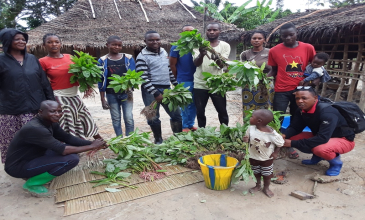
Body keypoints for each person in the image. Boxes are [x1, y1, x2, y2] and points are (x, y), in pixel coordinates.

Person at [4, 100, 106, 196]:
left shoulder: (50, 123)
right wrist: (91, 146)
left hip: (33, 157)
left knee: (71, 150)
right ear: (41, 112)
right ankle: (32, 184)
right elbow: (63, 150)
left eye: (59, 111)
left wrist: (92, 143)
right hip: (17, 167)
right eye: (52, 111)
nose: (57, 114)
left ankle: (35, 173)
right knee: (72, 159)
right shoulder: (36, 128)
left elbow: (67, 138)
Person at [0, 29, 54, 164]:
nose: (21, 41)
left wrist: (51, 102)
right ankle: (19, 168)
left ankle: (38, 166)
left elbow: (44, 82)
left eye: (23, 39)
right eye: (17, 39)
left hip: (35, 109)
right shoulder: (1, 60)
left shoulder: (32, 59)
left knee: (38, 141)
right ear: (7, 41)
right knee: (14, 142)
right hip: (11, 111)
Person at [39, 33, 103, 140]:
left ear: (61, 44)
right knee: (67, 121)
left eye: (56, 42)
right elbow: (42, 81)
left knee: (84, 115)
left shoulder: (70, 57)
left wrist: (87, 85)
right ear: (44, 45)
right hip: (59, 96)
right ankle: (71, 145)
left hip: (74, 94)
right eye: (49, 42)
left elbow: (81, 73)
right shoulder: (42, 61)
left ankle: (98, 140)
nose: (53, 44)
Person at [267, 22, 316, 159]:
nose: (288, 38)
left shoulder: (308, 48)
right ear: (280, 36)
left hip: (300, 90)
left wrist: (312, 81)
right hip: (281, 89)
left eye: (291, 35)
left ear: (296, 33)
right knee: (278, 117)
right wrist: (261, 78)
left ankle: (291, 145)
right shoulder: (274, 50)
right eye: (284, 36)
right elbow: (273, 70)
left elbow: (315, 67)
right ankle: (276, 143)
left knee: (297, 118)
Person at [282, 87, 355, 176]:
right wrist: (284, 135)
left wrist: (292, 143)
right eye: (297, 98)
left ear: (315, 98)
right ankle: (317, 156)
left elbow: (322, 138)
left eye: (304, 98)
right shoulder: (301, 110)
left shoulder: (327, 113)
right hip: (322, 136)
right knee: (292, 137)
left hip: (343, 139)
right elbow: (295, 127)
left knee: (320, 149)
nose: (300, 101)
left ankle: (336, 163)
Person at [136, 30, 182, 144]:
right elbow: (143, 78)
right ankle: (158, 140)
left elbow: (168, 71)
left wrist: (175, 84)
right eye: (151, 40)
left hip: (167, 88)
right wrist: (156, 93)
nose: (155, 42)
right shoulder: (142, 57)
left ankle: (179, 138)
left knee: (176, 114)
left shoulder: (163, 52)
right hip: (150, 91)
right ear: (145, 41)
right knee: (153, 117)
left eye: (157, 39)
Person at [193, 23, 231, 127]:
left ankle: (225, 131)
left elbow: (221, 66)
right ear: (206, 31)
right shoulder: (198, 45)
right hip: (200, 83)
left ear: (220, 31)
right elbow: (196, 63)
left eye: (215, 30)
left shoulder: (225, 45)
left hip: (217, 84)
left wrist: (217, 59)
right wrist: (201, 54)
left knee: (222, 110)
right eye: (209, 30)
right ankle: (202, 132)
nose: (212, 32)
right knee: (200, 111)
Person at [98, 36, 135, 137]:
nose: (117, 47)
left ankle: (130, 140)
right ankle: (120, 140)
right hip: (111, 94)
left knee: (128, 117)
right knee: (116, 119)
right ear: (107, 45)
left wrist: (130, 87)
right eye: (114, 44)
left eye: (119, 45)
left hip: (126, 93)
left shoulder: (128, 58)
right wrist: (102, 99)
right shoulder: (102, 60)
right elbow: (100, 81)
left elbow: (133, 75)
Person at [243, 109, 284, 198]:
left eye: (252, 117)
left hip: (266, 158)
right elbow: (248, 139)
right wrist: (246, 140)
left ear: (259, 121)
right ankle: (258, 185)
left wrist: (275, 153)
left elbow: (280, 143)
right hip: (253, 156)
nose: (250, 118)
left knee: (267, 174)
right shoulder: (250, 129)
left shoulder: (272, 134)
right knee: (256, 171)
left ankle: (266, 188)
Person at [169, 25, 197, 132]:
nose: (189, 33)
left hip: (197, 79)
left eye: (192, 31)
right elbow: (172, 65)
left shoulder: (197, 45)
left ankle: (190, 124)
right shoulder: (176, 46)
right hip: (184, 79)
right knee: (185, 104)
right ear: (182, 33)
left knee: (194, 104)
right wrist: (177, 79)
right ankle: (185, 126)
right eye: (186, 31)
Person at [240, 31, 274, 116]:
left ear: (264, 40)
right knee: (249, 108)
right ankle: (248, 127)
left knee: (267, 107)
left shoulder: (270, 52)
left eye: (259, 38)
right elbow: (242, 69)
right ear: (251, 40)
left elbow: (275, 68)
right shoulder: (245, 54)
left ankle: (266, 128)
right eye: (254, 38)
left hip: (266, 83)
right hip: (250, 85)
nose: (256, 40)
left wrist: (266, 77)